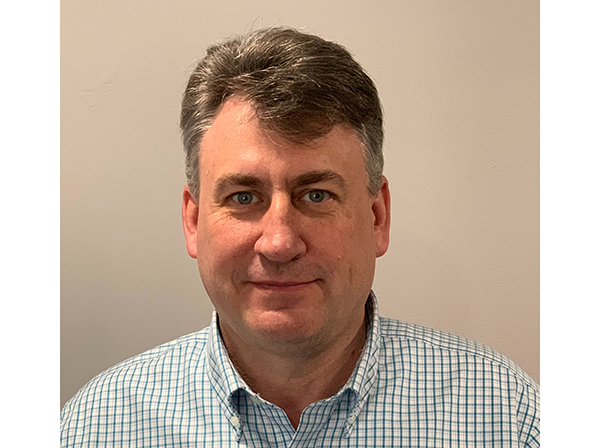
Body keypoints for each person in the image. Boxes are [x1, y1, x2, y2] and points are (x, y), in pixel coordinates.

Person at [61, 27, 539, 447]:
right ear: (193, 221)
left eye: (316, 195)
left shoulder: (506, 417)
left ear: (377, 217)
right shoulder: (95, 427)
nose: (279, 243)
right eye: (243, 197)